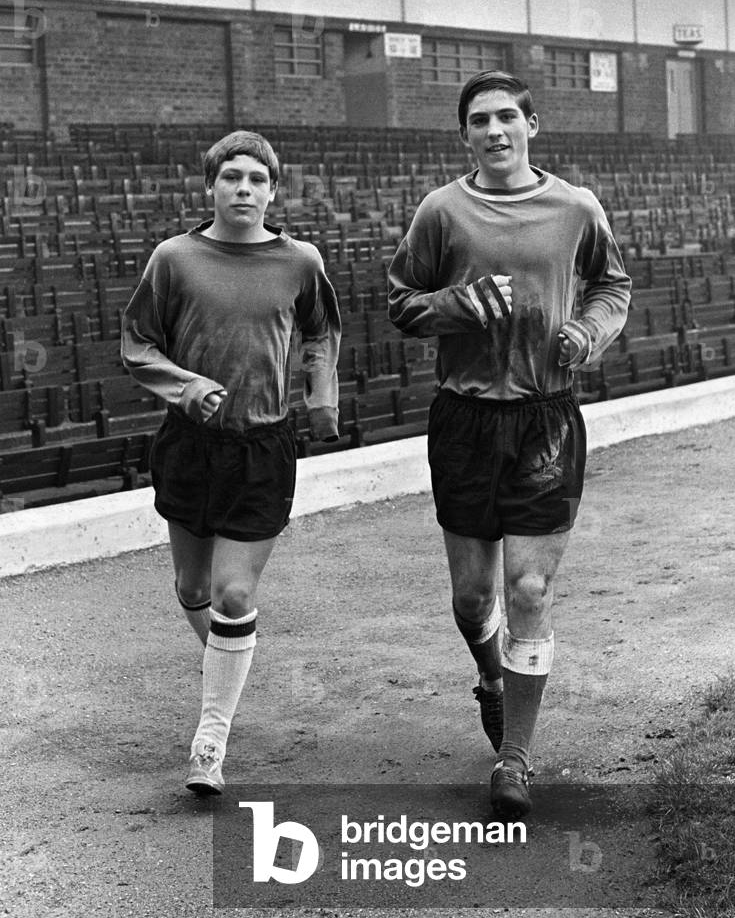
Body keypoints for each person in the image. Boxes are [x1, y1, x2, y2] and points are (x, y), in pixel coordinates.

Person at [387, 71, 631, 818]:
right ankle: (492, 679)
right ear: (463, 135)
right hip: (463, 421)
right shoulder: (441, 210)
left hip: (544, 418)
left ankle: (515, 758)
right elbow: (401, 303)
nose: (493, 131)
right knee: (471, 599)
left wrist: (587, 331)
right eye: (478, 121)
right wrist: (457, 305)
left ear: (532, 124)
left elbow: (611, 286)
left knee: (527, 588)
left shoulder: (574, 206)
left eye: (506, 118)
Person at [121, 131, 341, 795]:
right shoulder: (174, 258)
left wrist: (320, 397)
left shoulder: (300, 260)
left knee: (234, 592)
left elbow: (322, 331)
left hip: (263, 447)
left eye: (256, 180)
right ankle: (227, 656)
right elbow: (135, 343)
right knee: (193, 588)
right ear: (210, 186)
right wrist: (188, 386)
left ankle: (208, 743)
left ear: (274, 190)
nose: (243, 189)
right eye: (231, 178)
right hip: (188, 446)